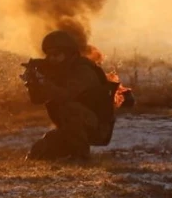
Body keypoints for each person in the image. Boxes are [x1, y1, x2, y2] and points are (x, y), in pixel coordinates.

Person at [22, 30, 117, 162]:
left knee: (69, 108)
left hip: (98, 127)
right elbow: (37, 100)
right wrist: (33, 84)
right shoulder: (58, 71)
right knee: (39, 152)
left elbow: (66, 96)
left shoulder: (83, 70)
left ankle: (82, 158)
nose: (51, 59)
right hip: (72, 128)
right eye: (49, 55)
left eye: (56, 54)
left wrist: (45, 82)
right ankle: (70, 154)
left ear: (68, 53)